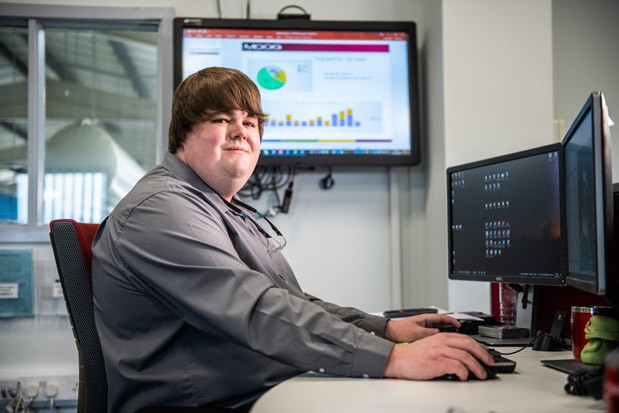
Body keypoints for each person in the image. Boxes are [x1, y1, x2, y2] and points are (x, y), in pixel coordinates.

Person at [91, 67, 493, 413]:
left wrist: (384, 331)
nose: (240, 132)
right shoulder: (162, 208)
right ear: (183, 134)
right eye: (221, 119)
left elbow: (288, 301)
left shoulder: (220, 208)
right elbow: (254, 307)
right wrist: (391, 358)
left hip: (246, 391)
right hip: (197, 403)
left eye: (250, 123)